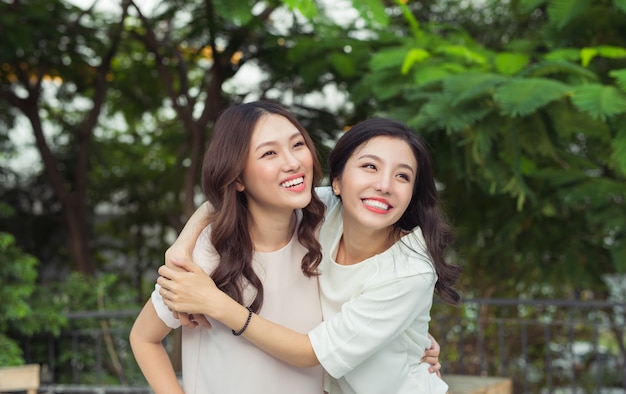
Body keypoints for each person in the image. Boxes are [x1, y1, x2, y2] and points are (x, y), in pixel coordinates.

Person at [159, 117, 460, 394]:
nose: (383, 185)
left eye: (403, 177)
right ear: (337, 182)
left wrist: (215, 303)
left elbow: (309, 353)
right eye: (370, 166)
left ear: (411, 195)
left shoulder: (409, 271)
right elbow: (244, 195)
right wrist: (181, 247)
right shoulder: (327, 210)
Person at [130, 101, 327, 394]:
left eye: (297, 145)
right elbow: (143, 338)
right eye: (269, 153)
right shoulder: (206, 253)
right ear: (237, 178)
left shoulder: (328, 228)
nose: (293, 162)